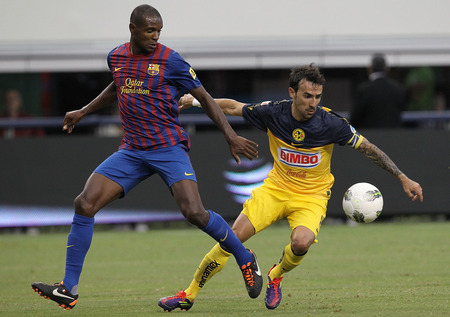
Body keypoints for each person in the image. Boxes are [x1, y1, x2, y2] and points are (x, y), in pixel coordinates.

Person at [31, 5, 262, 310]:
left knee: (194, 212)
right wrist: (83, 111)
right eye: (150, 31)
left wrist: (230, 135)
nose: (155, 37)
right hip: (132, 150)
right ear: (133, 29)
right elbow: (117, 86)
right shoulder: (117, 56)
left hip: (168, 148)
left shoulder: (171, 60)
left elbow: (205, 98)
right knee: (84, 204)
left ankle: (246, 258)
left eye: (159, 31)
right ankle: (68, 289)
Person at [158, 64, 423, 311]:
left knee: (301, 242)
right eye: (307, 96)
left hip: (312, 196)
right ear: (292, 92)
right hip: (275, 189)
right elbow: (232, 107)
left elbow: (368, 148)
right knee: (232, 238)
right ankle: (188, 294)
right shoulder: (273, 112)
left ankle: (275, 276)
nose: (313, 103)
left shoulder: (331, 124)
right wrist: (193, 100)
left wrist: (402, 177)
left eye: (318, 97)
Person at [350, 53, 406, 128]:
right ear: (387, 68)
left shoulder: (364, 90)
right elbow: (401, 110)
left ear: (370, 68)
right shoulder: (397, 88)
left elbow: (355, 117)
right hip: (393, 135)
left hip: (370, 136)